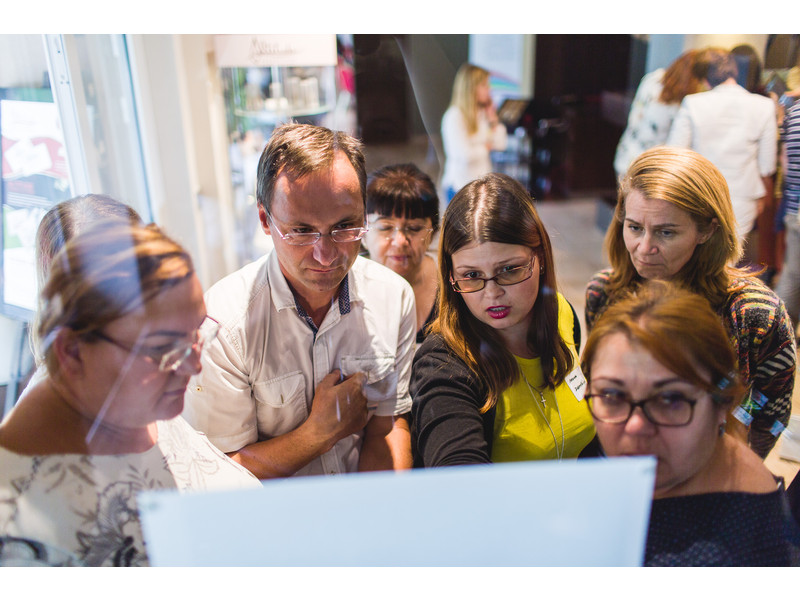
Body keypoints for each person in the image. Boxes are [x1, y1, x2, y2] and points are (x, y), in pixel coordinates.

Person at [0, 223, 261, 566]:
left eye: (198, 333)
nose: (194, 366)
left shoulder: (126, 402)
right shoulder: (18, 529)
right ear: (72, 351)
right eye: (164, 348)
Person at [182, 123, 416, 478]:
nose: (326, 255)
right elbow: (218, 472)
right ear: (265, 219)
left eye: (345, 227)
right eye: (302, 231)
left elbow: (388, 426)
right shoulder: (223, 325)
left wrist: (380, 508)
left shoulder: (393, 297)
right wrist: (317, 434)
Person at [585, 146, 795, 459]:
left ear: (708, 230)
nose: (644, 247)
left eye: (666, 233)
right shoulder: (604, 293)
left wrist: (732, 450)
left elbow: (770, 411)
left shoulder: (755, 313)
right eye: (635, 227)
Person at [582, 280, 799, 566]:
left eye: (671, 399)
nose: (635, 426)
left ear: (722, 403)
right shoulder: (693, 463)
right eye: (612, 395)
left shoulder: (723, 556)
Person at [411, 173, 593, 467]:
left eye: (509, 270)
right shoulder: (443, 364)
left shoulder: (561, 313)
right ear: (451, 274)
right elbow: (457, 473)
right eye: (472, 275)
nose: (492, 293)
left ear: (540, 257)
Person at [667, 48, 778, 246]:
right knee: (729, 254)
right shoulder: (764, 106)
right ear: (735, 71)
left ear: (704, 78)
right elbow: (767, 165)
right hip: (743, 195)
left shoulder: (693, 103)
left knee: (696, 251)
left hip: (699, 191)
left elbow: (674, 152)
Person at [362, 163, 439, 344]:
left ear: (433, 233)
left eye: (414, 228)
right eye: (385, 227)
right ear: (363, 233)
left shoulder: (453, 283)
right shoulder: (343, 287)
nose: (400, 240)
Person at [613, 49, 707, 179]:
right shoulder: (683, 103)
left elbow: (635, 117)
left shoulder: (652, 79)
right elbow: (676, 144)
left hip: (627, 155)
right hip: (650, 166)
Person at [440, 63, 508, 204]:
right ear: (471, 88)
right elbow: (464, 155)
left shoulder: (483, 113)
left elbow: (501, 144)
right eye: (484, 85)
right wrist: (486, 147)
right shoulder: (454, 116)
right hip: (459, 187)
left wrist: (493, 120)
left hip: (482, 185)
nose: (489, 89)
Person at [775, 100, 800, 328]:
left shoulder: (794, 111)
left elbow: (785, 158)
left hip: (794, 205)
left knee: (793, 274)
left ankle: (779, 334)